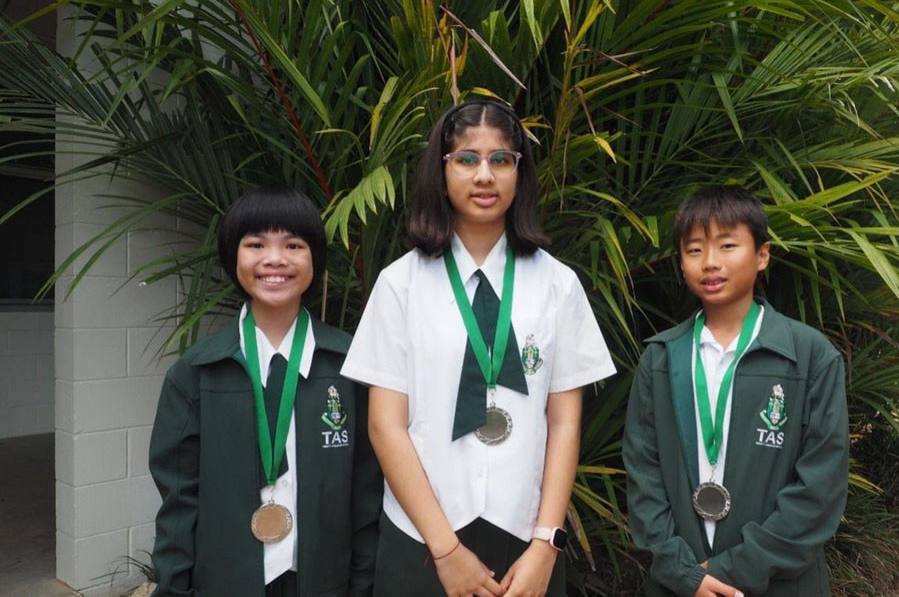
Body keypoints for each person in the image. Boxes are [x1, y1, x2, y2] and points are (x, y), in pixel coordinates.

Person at [340, 101, 616, 597]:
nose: (484, 175)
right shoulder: (399, 285)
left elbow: (565, 421)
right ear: (441, 172)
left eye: (501, 160)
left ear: (519, 171)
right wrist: (445, 551)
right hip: (421, 540)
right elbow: (385, 425)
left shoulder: (558, 285)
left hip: (526, 541)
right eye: (466, 159)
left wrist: (547, 544)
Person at [148, 186, 381, 597]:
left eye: (293, 244)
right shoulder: (196, 373)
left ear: (315, 260)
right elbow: (178, 505)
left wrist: (363, 585)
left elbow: (368, 497)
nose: (275, 259)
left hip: (326, 584)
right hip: (225, 583)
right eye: (256, 244)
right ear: (232, 257)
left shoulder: (352, 367)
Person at [623, 185, 848, 597]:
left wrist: (729, 571)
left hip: (782, 586)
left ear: (762, 255)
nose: (710, 263)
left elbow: (820, 489)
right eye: (694, 250)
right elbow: (644, 478)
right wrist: (684, 574)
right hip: (678, 585)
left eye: (727, 245)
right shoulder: (660, 357)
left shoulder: (810, 356)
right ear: (681, 262)